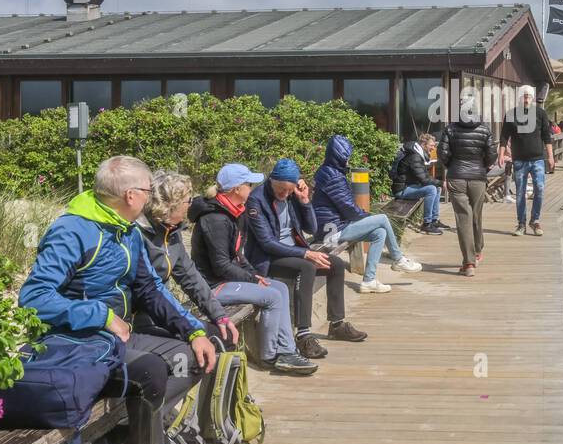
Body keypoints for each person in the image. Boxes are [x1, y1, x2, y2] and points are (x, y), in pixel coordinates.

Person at [19, 155, 214, 444]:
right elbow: (33, 299)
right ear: (129, 195)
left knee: (192, 356)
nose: (151, 195)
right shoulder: (72, 230)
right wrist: (100, 315)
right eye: (148, 189)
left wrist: (194, 331)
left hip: (117, 339)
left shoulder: (127, 231)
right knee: (150, 369)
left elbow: (150, 290)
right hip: (76, 344)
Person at [178, 166, 316, 375]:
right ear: (236, 189)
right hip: (212, 287)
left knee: (279, 288)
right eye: (249, 184)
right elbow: (221, 265)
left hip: (226, 280)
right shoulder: (215, 219)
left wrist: (255, 275)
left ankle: (287, 351)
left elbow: (238, 256)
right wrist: (252, 278)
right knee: (272, 296)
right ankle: (271, 356)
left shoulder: (233, 212)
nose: (252, 188)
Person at [243, 158, 368, 360]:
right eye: (280, 189)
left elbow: (311, 228)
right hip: (268, 258)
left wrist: (305, 200)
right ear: (271, 180)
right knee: (306, 268)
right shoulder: (256, 200)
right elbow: (266, 243)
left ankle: (336, 324)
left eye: (288, 190)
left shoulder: (292, 195)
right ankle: (303, 335)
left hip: (293, 251)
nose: (283, 194)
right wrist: (306, 253)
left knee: (334, 264)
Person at [311, 135, 422, 293]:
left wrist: (366, 216)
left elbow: (347, 208)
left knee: (379, 232)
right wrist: (368, 216)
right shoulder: (333, 177)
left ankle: (369, 281)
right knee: (382, 219)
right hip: (331, 231)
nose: (348, 161)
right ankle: (398, 259)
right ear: (338, 157)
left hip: (334, 226)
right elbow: (350, 210)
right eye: (346, 157)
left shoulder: (330, 172)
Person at [439, 88, 497, 276]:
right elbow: (491, 155)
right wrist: (483, 167)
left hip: (456, 175)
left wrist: (451, 166)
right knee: (476, 215)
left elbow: (443, 153)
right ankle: (478, 251)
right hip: (478, 177)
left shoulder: (450, 128)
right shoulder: (484, 128)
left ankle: (469, 263)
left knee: (463, 218)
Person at [500, 84, 555, 237]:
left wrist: (550, 156)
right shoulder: (511, 114)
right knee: (520, 193)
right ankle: (521, 223)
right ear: (519, 97)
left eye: (529, 96)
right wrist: (501, 154)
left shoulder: (541, 113)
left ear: (532, 98)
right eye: (524, 96)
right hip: (519, 160)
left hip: (537, 159)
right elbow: (504, 136)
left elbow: (547, 136)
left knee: (540, 188)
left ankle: (535, 220)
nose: (526, 99)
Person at [392, 133, 445, 234]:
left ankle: (434, 220)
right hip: (402, 190)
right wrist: (442, 183)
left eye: (434, 146)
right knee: (432, 189)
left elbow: (424, 177)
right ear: (424, 144)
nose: (433, 148)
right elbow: (424, 179)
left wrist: (439, 183)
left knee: (437, 188)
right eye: (431, 145)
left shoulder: (418, 155)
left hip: (410, 186)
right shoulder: (415, 157)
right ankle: (427, 224)